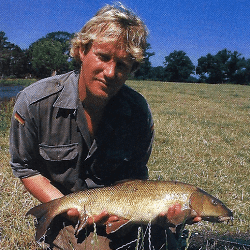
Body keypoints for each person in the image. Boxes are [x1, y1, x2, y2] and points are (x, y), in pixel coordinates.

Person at [10, 3, 201, 249]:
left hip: (120, 208)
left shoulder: (138, 113)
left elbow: (135, 177)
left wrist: (145, 215)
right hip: (67, 206)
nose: (110, 72)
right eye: (103, 57)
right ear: (81, 51)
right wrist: (65, 208)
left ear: (133, 69)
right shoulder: (34, 102)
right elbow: (25, 167)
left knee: (167, 245)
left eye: (122, 65)